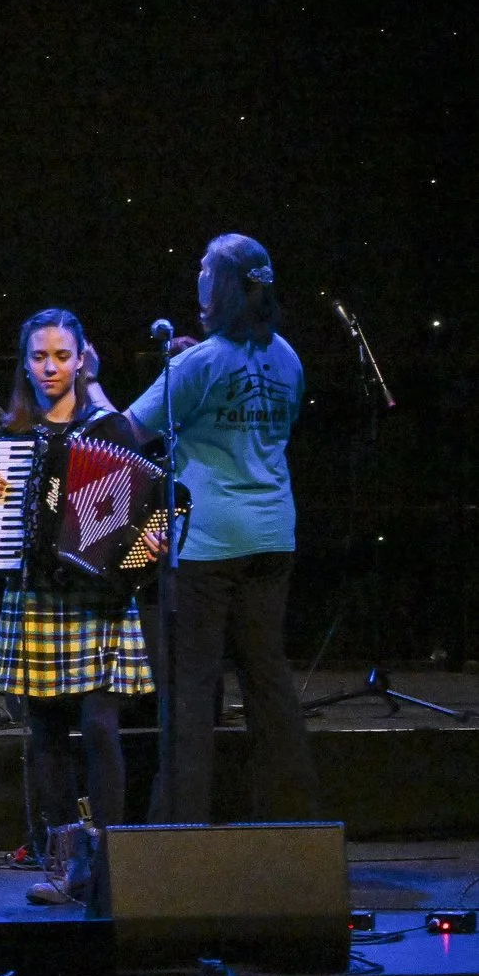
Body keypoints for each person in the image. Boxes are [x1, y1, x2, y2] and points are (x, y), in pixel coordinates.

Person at [0, 309, 156, 900]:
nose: (50, 368)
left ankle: (111, 860)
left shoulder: (110, 430)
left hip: (100, 601)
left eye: (62, 356)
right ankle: (68, 865)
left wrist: (149, 545)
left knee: (98, 725)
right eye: (39, 357)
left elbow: (146, 512)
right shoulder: (8, 439)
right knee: (44, 734)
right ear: (25, 362)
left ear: (82, 358)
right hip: (34, 598)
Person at [125, 232, 318, 823]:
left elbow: (130, 430)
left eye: (205, 270)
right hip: (272, 536)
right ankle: (294, 825)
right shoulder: (287, 357)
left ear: (221, 286)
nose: (198, 279)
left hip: (206, 544)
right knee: (270, 683)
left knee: (189, 696)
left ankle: (178, 833)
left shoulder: (198, 363)